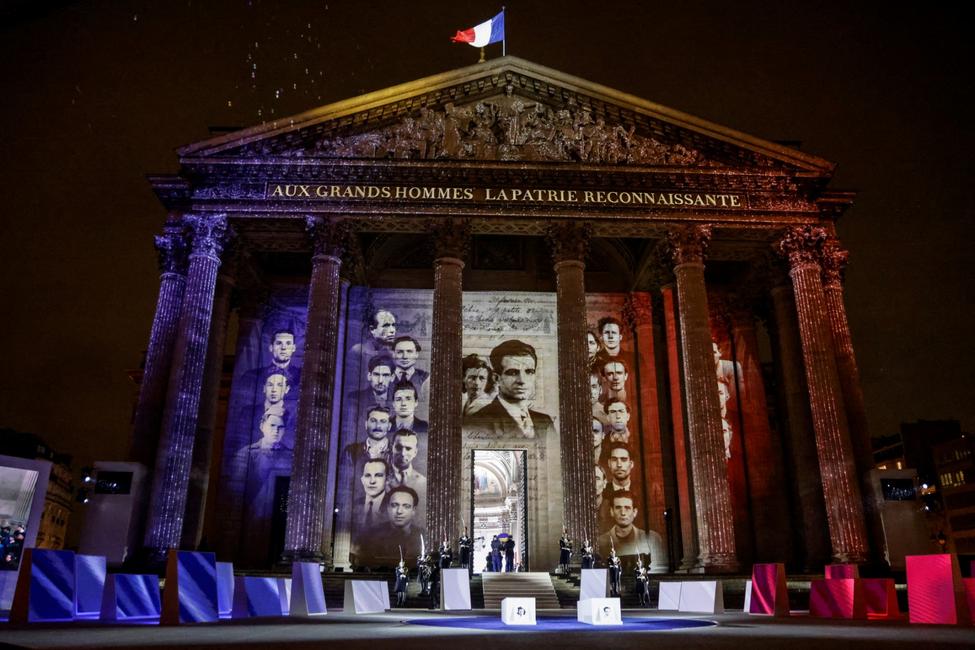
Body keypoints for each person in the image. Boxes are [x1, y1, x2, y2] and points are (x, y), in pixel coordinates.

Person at [464, 339, 556, 440]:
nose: (522, 380)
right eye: (513, 373)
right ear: (496, 378)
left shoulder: (545, 421)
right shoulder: (477, 422)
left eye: (529, 372)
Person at [360, 486, 427, 565]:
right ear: (388, 507)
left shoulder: (423, 536)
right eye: (394, 505)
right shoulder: (371, 536)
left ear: (413, 510)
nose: (399, 511)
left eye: (406, 506)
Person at [597, 491, 662, 559]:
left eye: (627, 508)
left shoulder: (652, 538)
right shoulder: (601, 542)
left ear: (634, 512)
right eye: (618, 508)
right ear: (612, 511)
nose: (623, 513)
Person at [243, 328, 302, 395]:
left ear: (293, 348)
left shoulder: (302, 376)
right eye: (279, 343)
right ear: (271, 347)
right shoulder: (251, 376)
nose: (283, 348)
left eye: (288, 343)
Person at [356, 458, 389, 529]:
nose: (372, 481)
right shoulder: (354, 504)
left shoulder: (393, 505)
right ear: (362, 480)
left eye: (378, 475)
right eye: (368, 475)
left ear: (387, 480)